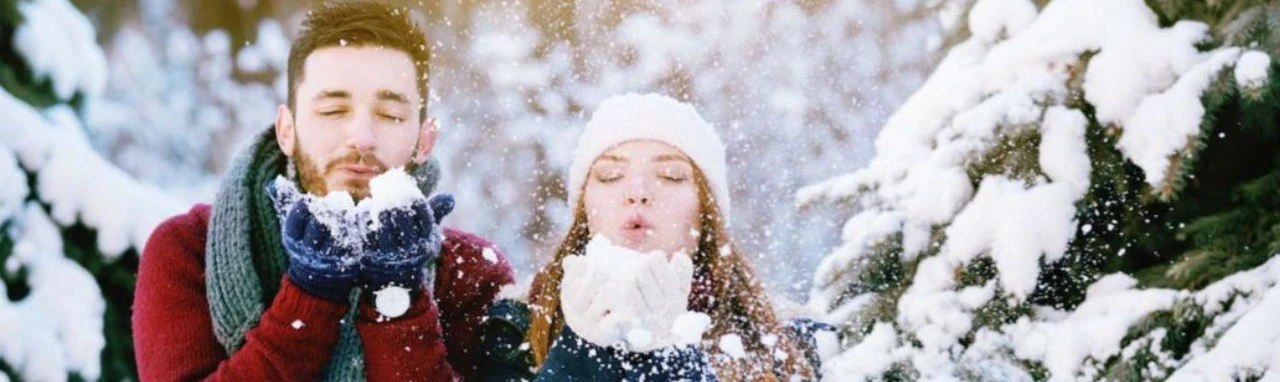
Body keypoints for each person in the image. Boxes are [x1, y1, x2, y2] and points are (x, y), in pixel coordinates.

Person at [132, 1, 514, 380]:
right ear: (287, 129)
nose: (362, 138)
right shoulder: (188, 250)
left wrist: (397, 298)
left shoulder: (471, 273)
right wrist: (310, 296)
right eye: (333, 111)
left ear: (424, 139)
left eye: (390, 115)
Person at [481, 93, 830, 381]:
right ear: (584, 209)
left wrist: (670, 357)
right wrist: (580, 351)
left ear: (706, 212)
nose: (638, 192)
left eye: (671, 175)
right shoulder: (513, 327)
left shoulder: (792, 341)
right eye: (611, 174)